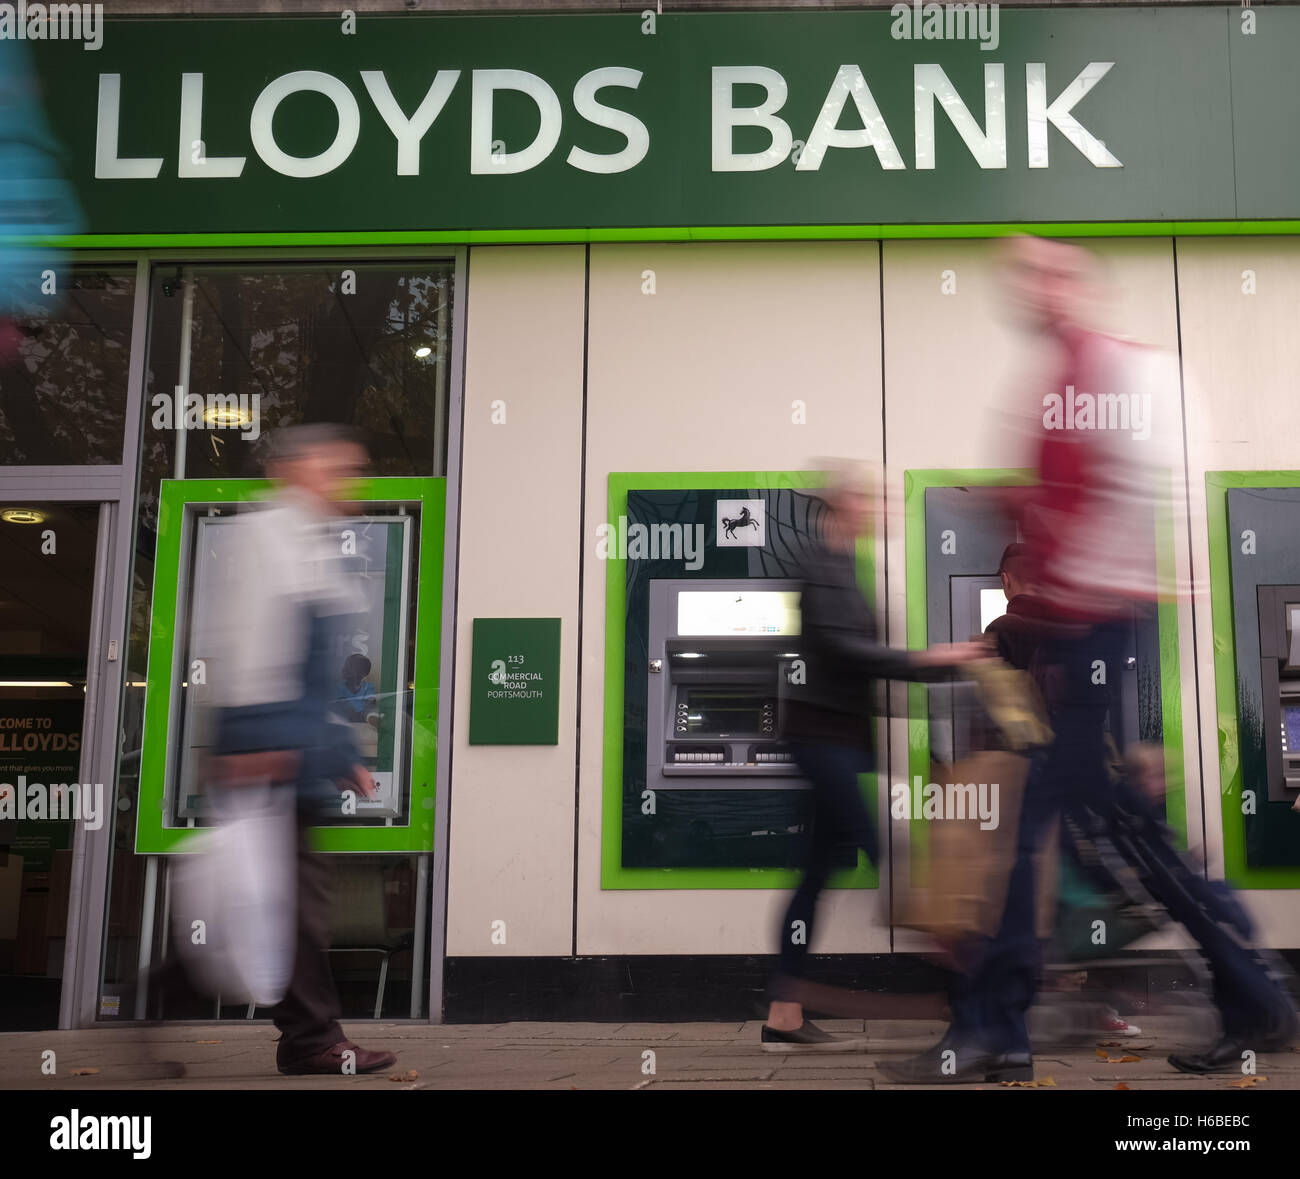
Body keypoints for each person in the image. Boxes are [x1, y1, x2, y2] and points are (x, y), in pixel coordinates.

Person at [881, 236, 1296, 1083]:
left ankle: (997, 1030)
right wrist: (1017, 506)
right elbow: (1067, 505)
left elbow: (1148, 495)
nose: (1028, 287)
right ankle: (1252, 995)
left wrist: (1113, 580)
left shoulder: (1122, 372)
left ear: (1076, 283)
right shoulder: (1054, 382)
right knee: (1128, 831)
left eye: (1045, 271)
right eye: (1020, 275)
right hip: (1078, 635)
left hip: (1092, 632)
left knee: (1032, 828)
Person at [761, 464, 983, 1052]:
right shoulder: (823, 564)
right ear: (843, 505)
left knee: (818, 872)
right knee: (892, 853)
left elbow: (850, 665)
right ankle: (966, 996)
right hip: (822, 742)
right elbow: (847, 651)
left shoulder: (841, 567)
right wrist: (928, 661)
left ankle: (782, 1014)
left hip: (837, 742)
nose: (880, 509)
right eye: (870, 499)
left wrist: (928, 676)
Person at [205, 423, 398, 1076]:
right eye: (340, 468)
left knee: (277, 899)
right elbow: (252, 648)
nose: (353, 482)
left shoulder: (311, 540)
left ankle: (160, 995)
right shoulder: (269, 534)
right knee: (291, 906)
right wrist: (259, 742)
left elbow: (317, 672)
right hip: (273, 754)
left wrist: (341, 751)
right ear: (296, 468)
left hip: (295, 752)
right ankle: (312, 1039)